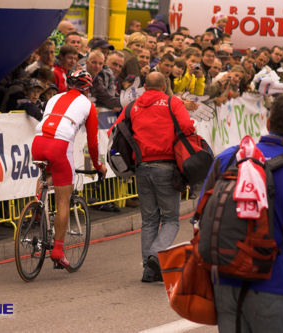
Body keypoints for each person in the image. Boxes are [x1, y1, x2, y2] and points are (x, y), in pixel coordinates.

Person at [203, 94, 283, 332]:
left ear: (268, 123)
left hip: (226, 282)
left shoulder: (227, 158)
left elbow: (202, 217)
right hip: (276, 284)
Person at [110, 72, 195, 282]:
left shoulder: (133, 106)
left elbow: (114, 130)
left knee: (149, 221)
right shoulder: (171, 103)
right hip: (167, 166)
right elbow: (187, 127)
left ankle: (149, 271)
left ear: (145, 87)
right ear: (165, 86)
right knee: (171, 219)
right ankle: (156, 255)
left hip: (142, 167)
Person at [31, 70, 107, 268]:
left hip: (38, 141)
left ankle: (37, 205)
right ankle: (57, 250)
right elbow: (92, 142)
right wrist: (99, 166)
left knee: (47, 175)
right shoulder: (88, 105)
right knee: (63, 200)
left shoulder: (55, 97)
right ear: (87, 89)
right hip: (60, 145)